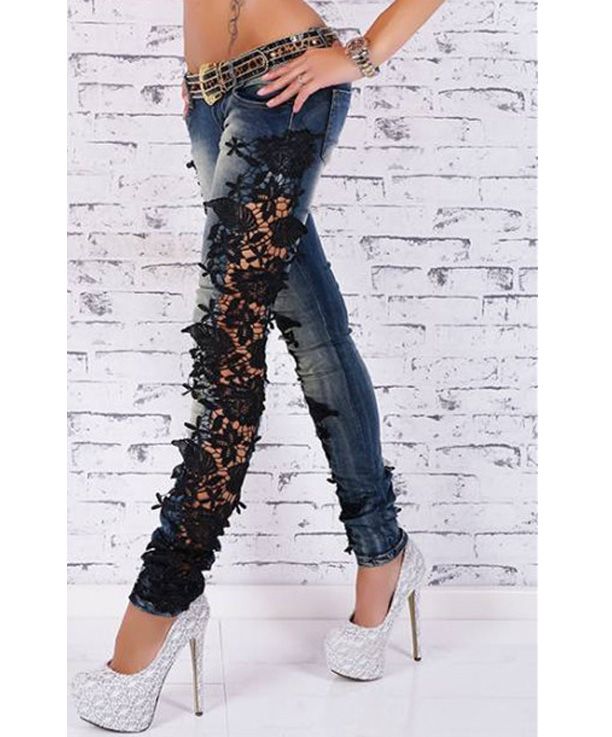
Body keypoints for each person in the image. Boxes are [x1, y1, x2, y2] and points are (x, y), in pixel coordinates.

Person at [71, 0, 445, 730]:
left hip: (284, 84)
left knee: (226, 348)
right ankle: (385, 554)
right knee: (315, 333)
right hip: (208, 97)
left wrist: (364, 53)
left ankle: (164, 598)